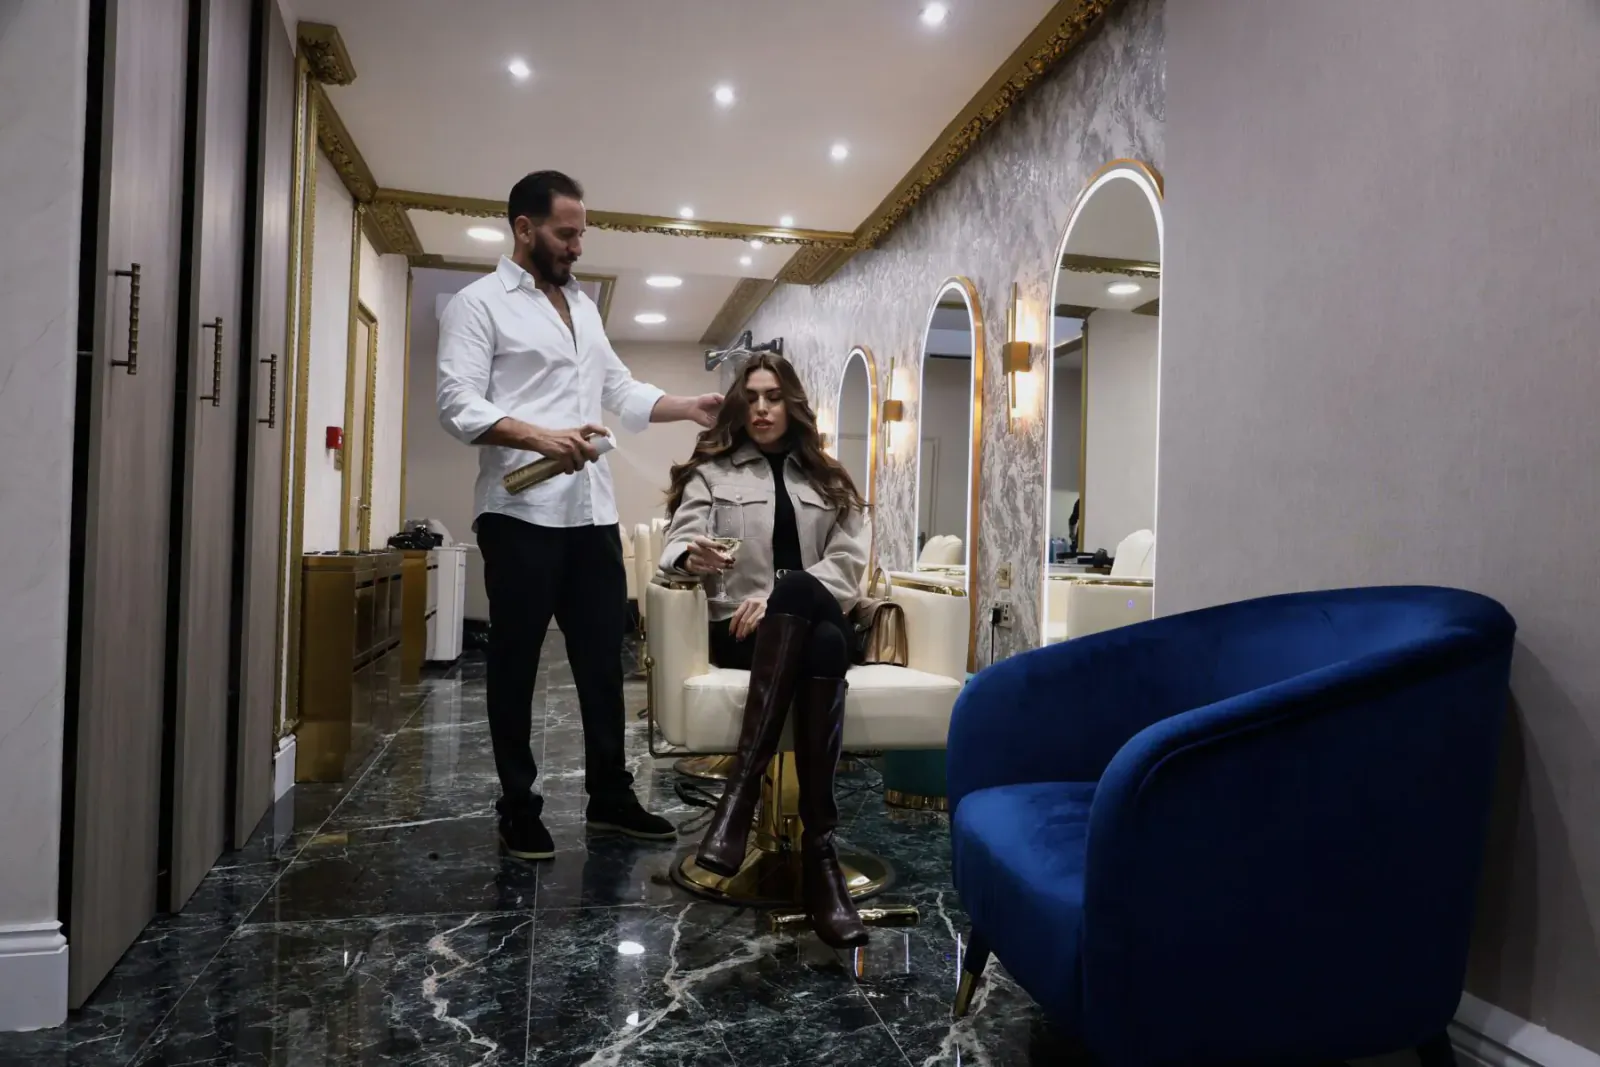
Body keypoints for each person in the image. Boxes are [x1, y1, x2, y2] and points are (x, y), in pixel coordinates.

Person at [437, 170, 722, 861]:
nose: (576, 246)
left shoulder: (585, 308)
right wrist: (537, 435)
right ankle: (518, 806)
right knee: (515, 664)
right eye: (565, 233)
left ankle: (611, 799)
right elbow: (456, 403)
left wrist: (686, 406)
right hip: (519, 513)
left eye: (581, 234)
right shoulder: (478, 305)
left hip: (591, 514)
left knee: (604, 659)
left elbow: (617, 388)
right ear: (524, 228)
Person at [658, 353, 871, 948]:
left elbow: (850, 567)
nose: (760, 408)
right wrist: (690, 556)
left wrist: (783, 594)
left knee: (804, 591)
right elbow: (675, 543)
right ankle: (821, 858)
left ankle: (740, 793)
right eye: (750, 396)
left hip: (815, 608)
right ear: (738, 404)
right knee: (825, 645)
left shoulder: (829, 478)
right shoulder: (713, 474)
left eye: (773, 396)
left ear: (792, 403)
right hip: (743, 635)